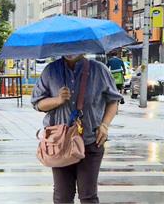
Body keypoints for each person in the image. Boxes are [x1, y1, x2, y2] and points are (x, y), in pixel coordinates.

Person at [31, 54, 123, 204]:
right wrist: (58, 100)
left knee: (88, 196)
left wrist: (104, 125)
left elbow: (113, 101)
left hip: (91, 140)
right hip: (59, 144)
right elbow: (38, 103)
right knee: (62, 197)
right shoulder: (51, 71)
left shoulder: (99, 70)